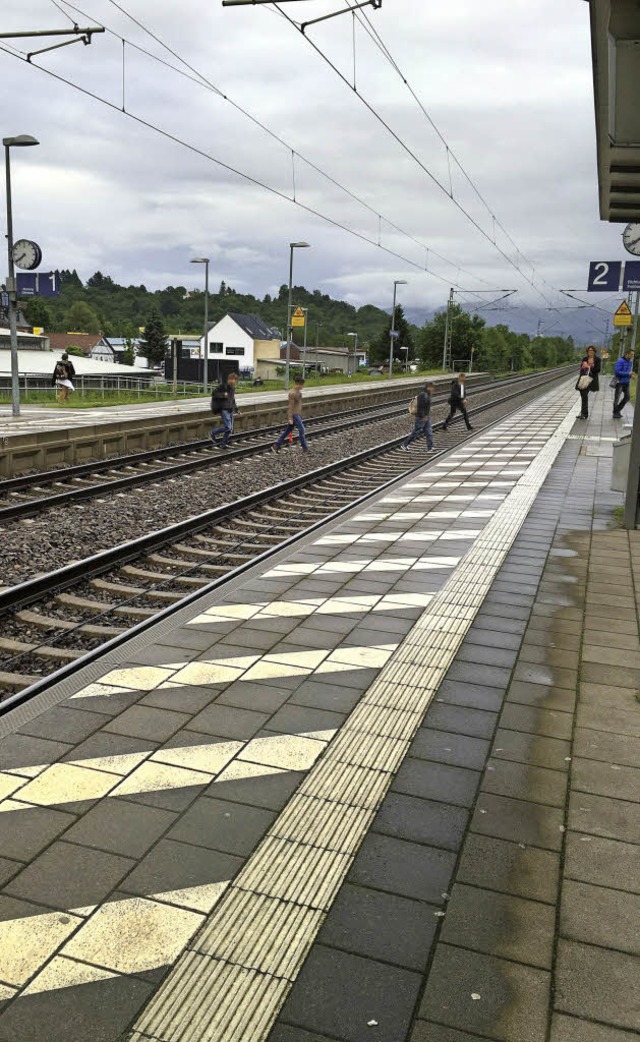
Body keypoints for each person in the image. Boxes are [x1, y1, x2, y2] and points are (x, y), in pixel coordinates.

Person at [273, 375, 308, 452]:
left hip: (297, 414)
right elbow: (290, 406)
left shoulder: (299, 393)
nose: (302, 387)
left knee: (287, 431)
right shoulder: (292, 393)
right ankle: (305, 448)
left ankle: (276, 445)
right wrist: (290, 418)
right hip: (294, 415)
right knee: (302, 430)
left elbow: (297, 404)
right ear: (298, 384)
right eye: (301, 385)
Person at [402, 381, 436, 451]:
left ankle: (430, 447)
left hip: (426, 416)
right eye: (432, 387)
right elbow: (420, 407)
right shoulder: (422, 395)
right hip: (421, 417)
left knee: (429, 432)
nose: (433, 389)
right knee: (416, 431)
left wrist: (426, 415)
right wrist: (423, 416)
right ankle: (405, 444)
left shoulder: (428, 394)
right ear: (428, 387)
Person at [209, 370, 239, 449]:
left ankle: (223, 444)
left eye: (235, 380)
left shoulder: (233, 388)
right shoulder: (222, 386)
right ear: (229, 379)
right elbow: (214, 394)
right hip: (224, 409)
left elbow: (233, 400)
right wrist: (223, 394)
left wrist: (237, 409)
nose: (234, 381)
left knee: (230, 429)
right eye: (232, 379)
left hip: (230, 409)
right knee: (228, 427)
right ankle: (213, 432)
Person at [576, 345, 601, 419]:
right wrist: (584, 367)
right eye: (589, 351)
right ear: (587, 352)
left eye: (592, 351)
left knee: (584, 396)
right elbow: (581, 369)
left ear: (594, 352)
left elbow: (598, 370)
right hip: (584, 379)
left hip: (592, 380)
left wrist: (589, 366)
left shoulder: (597, 360)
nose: (590, 352)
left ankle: (584, 414)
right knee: (583, 396)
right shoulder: (585, 359)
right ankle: (584, 413)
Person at [613, 348, 636, 418]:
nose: (632, 356)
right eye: (631, 354)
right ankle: (615, 413)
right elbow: (617, 372)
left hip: (626, 382)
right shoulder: (620, 361)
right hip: (619, 382)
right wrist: (628, 373)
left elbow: (628, 372)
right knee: (617, 398)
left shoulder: (630, 362)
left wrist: (631, 375)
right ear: (627, 354)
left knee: (627, 397)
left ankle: (617, 410)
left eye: (633, 355)